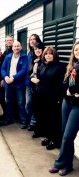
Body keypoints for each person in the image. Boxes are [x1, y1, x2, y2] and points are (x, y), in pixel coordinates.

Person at [49, 41, 79, 176]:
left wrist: (72, 89)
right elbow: (65, 83)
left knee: (68, 136)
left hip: (78, 106)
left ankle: (59, 163)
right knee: (66, 135)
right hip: (67, 103)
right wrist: (68, 90)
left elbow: (73, 87)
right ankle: (68, 165)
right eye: (76, 50)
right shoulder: (72, 66)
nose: (77, 52)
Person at [35, 47, 65, 150]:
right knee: (46, 119)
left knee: (54, 120)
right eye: (46, 54)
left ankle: (55, 140)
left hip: (53, 98)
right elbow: (40, 80)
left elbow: (61, 84)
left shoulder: (60, 67)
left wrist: (55, 95)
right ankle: (48, 137)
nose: (48, 55)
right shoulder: (43, 65)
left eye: (50, 54)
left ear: (54, 55)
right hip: (42, 97)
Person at [1, 41, 28, 128]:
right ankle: (9, 119)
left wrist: (13, 78)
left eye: (18, 46)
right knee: (8, 101)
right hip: (8, 83)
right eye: (15, 46)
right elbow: (3, 68)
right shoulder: (8, 57)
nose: (16, 48)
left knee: (20, 102)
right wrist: (5, 77)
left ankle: (23, 121)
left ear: (21, 47)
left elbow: (23, 70)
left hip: (18, 83)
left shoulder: (24, 57)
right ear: (12, 48)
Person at [25, 34, 42, 131]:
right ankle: (33, 122)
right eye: (30, 39)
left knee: (36, 105)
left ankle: (35, 124)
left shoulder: (40, 53)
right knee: (28, 104)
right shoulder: (29, 54)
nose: (32, 41)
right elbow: (29, 70)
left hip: (38, 84)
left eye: (34, 39)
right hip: (29, 82)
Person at [29, 42, 45, 137]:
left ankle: (42, 130)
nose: (37, 50)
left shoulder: (44, 61)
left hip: (43, 89)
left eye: (39, 48)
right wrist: (31, 78)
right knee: (36, 109)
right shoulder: (34, 61)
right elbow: (29, 74)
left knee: (42, 111)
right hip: (35, 89)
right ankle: (37, 130)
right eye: (35, 49)